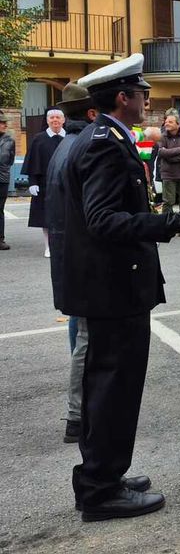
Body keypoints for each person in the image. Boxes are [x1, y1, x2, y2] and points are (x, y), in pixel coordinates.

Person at [62, 53, 180, 521]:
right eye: (142, 93)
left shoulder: (101, 136)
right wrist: (172, 222)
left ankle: (102, 474)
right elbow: (103, 220)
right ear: (122, 98)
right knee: (114, 390)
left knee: (106, 387)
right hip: (113, 288)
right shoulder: (104, 144)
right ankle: (101, 490)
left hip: (107, 286)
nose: (147, 100)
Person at [45, 83, 99, 444]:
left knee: (79, 330)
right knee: (86, 338)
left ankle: (82, 410)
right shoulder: (83, 147)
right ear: (91, 113)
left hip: (67, 252)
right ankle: (78, 415)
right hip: (80, 255)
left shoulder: (64, 146)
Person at [22, 107, 66, 257]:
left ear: (63, 120)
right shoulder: (39, 139)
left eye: (58, 117)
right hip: (45, 185)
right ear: (47, 121)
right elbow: (32, 162)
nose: (55, 120)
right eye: (52, 118)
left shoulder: (70, 138)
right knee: (46, 217)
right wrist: (32, 182)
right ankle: (48, 247)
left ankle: (66, 246)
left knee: (67, 215)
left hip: (66, 184)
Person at [156, 113, 180, 225]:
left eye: (170, 122)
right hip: (168, 174)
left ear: (178, 124)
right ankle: (167, 226)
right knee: (168, 202)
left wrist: (170, 157)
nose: (166, 124)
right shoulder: (162, 136)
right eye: (166, 121)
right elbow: (161, 152)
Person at [0, 111, 14, 251]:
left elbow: (10, 160)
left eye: (5, 123)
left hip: (2, 179)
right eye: (2, 123)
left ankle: (0, 239)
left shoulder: (9, 140)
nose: (5, 125)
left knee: (0, 210)